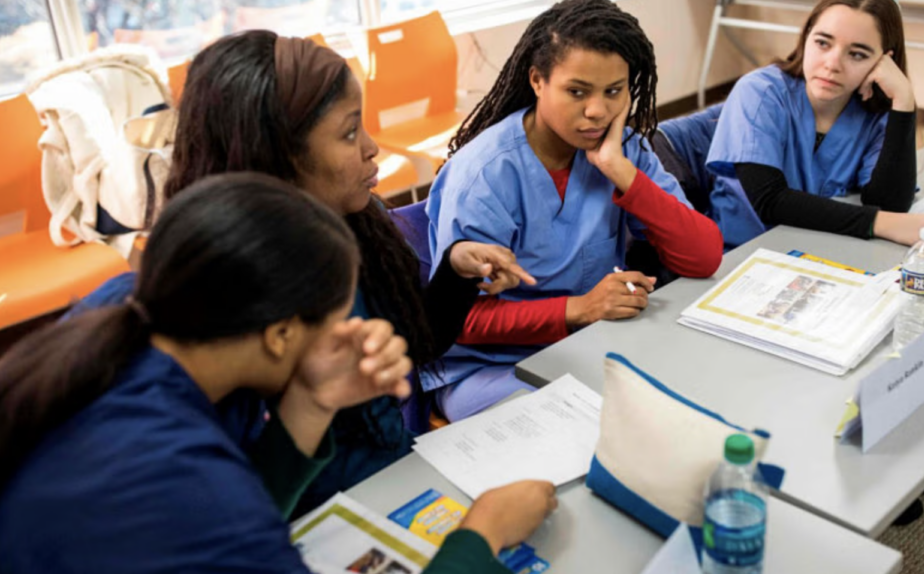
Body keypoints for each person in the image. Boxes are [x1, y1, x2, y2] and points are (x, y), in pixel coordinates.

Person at [75, 30, 535, 517]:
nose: (372, 148)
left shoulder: (356, 229)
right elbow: (246, 511)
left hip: (396, 483)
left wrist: (455, 277)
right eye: (349, 132)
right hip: (330, 518)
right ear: (280, 155)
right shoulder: (218, 318)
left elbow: (414, 345)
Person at [0, 173, 557, 574]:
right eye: (339, 318)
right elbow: (221, 513)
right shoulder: (189, 483)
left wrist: (312, 401)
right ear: (280, 335)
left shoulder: (130, 317)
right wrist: (482, 535)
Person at [424, 0, 724, 421]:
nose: (597, 111)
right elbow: (462, 321)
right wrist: (580, 308)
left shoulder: (623, 152)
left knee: (686, 392)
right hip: (489, 367)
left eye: (613, 92)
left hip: (587, 342)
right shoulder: (486, 175)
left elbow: (704, 255)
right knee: (593, 421)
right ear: (537, 81)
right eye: (577, 91)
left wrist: (621, 172)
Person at [695, 0, 924, 250]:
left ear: (884, 62)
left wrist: (904, 98)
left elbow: (889, 204)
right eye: (823, 43)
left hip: (824, 251)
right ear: (806, 38)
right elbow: (770, 201)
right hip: (741, 255)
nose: (832, 64)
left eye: (857, 54)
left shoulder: (874, 115)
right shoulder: (760, 91)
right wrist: (879, 222)